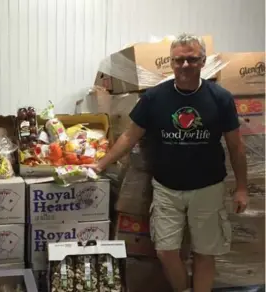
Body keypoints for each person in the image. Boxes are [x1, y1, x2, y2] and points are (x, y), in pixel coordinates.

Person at [91, 33, 248, 292]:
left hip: (208, 188)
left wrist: (242, 187)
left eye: (192, 59)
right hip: (166, 189)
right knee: (165, 250)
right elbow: (130, 135)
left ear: (202, 61)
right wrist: (100, 164)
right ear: (171, 63)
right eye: (179, 60)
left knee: (204, 252)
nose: (185, 65)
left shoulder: (220, 98)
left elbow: (236, 145)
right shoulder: (155, 98)